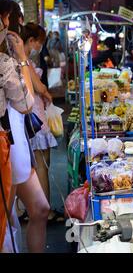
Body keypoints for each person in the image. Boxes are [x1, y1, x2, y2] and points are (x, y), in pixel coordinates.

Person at [0, 0, 38, 252]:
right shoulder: (5, 62)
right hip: (7, 146)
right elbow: (26, 103)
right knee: (5, 220)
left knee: (20, 214)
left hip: (13, 144)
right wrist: (22, 58)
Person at [21, 23, 60, 223]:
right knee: (42, 166)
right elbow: (40, 88)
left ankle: (34, 209)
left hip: (33, 118)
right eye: (39, 42)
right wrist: (46, 92)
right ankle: (45, 211)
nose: (39, 46)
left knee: (35, 166)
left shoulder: (23, 61)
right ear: (31, 41)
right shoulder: (24, 62)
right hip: (36, 120)